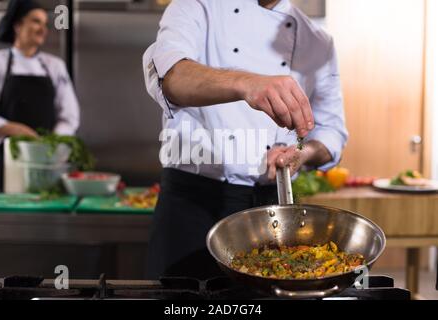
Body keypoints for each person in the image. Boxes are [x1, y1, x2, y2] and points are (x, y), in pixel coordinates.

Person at [143, 0, 348, 279]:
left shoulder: (318, 41)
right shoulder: (196, 6)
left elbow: (331, 132)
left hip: (270, 212)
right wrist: (246, 82)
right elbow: (172, 77)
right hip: (192, 205)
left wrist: (303, 152)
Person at [0, 0, 80, 191]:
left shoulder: (55, 66)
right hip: (7, 160)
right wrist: (15, 129)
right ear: (18, 25)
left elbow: (69, 115)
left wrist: (52, 145)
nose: (42, 29)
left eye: (45, 24)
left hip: (49, 161)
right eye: (36, 22)